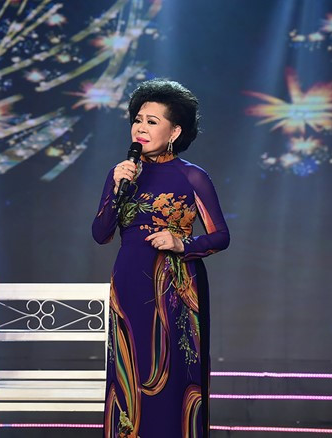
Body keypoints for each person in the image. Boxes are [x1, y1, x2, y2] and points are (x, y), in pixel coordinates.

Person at [92, 79, 230, 437]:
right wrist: (116, 188)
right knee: (129, 373)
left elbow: (221, 236)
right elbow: (101, 233)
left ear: (175, 131)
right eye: (138, 119)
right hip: (128, 284)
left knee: (175, 377)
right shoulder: (121, 174)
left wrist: (182, 243)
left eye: (152, 121)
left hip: (175, 289)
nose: (141, 127)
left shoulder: (192, 176)